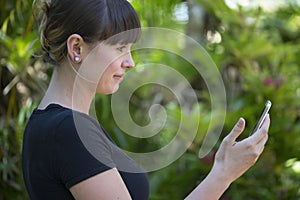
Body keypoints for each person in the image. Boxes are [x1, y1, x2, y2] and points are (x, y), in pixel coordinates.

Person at [22, 0, 270, 199]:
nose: (130, 62)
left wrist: (222, 171)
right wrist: (223, 174)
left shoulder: (47, 125)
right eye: (120, 48)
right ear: (77, 48)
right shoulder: (68, 131)